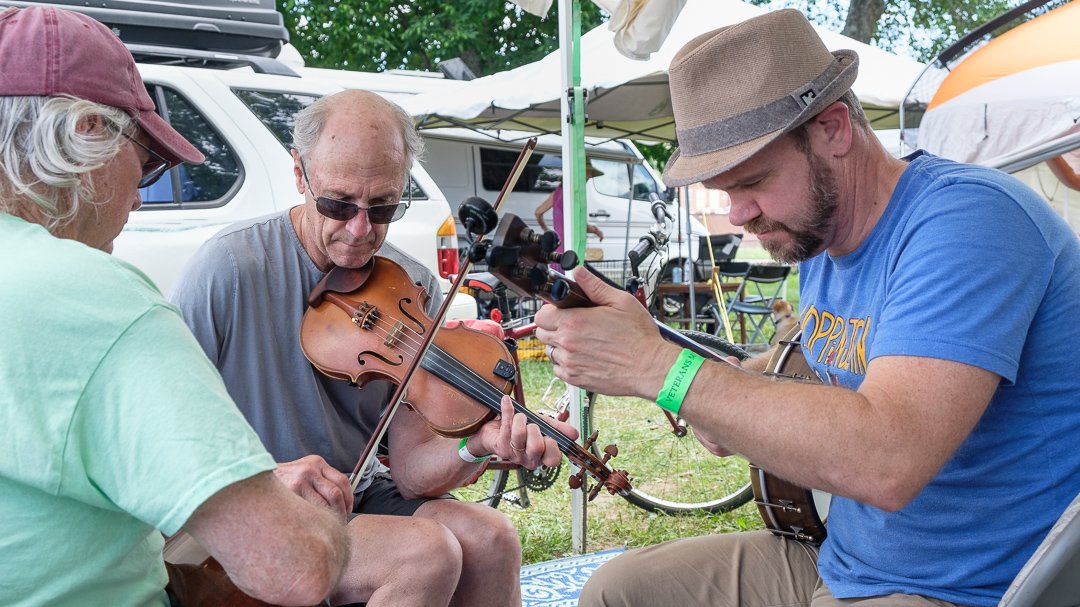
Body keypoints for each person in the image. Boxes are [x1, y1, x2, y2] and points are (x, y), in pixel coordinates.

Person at [534, 9, 1080, 607]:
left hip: (966, 589)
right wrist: (728, 394)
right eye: (725, 191)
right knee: (619, 592)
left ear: (834, 129)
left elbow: (888, 460)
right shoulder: (817, 235)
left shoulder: (971, 223)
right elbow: (835, 369)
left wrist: (658, 368)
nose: (739, 213)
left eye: (755, 182)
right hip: (839, 559)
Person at [170, 88, 575, 607]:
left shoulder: (412, 286)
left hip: (352, 497)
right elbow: (157, 430)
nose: (361, 230)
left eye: (383, 206)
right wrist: (264, 476)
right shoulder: (229, 268)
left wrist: (473, 445)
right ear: (300, 174)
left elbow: (409, 474)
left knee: (492, 537)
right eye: (338, 203)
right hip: (248, 509)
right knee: (424, 553)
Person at [0, 6, 347, 607]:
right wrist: (314, 523)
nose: (141, 192)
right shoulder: (94, 297)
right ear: (83, 130)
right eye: (148, 158)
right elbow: (295, 568)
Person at [534, 157, 605, 247]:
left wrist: (545, 229)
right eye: (587, 172)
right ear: (577, 173)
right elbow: (581, 226)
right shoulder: (575, 195)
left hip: (558, 248)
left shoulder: (557, 192)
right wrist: (596, 231)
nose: (590, 176)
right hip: (572, 248)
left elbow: (538, 212)